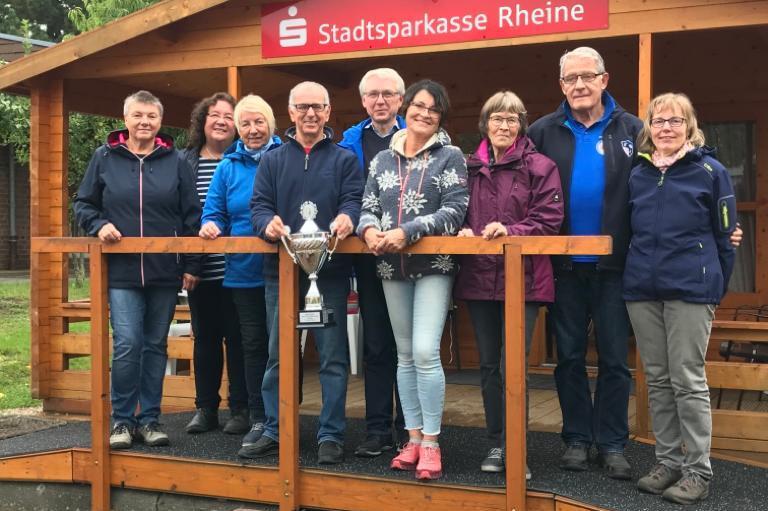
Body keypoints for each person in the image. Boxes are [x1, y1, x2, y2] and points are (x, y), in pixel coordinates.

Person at [528, 47, 641, 479]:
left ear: (604, 79)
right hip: (563, 267)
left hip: (615, 267)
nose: (579, 85)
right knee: (570, 357)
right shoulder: (542, 131)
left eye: (587, 77)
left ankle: (612, 443)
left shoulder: (634, 129)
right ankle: (576, 438)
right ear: (561, 85)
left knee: (614, 359)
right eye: (570, 79)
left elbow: (668, 176)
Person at [73, 90, 201, 449]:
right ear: (125, 119)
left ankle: (151, 420)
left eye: (151, 116)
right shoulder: (104, 158)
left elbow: (192, 216)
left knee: (155, 345)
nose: (144, 122)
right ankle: (122, 421)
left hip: (164, 271)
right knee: (128, 344)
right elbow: (83, 203)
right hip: (123, 272)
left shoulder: (176, 161)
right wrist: (98, 225)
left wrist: (191, 264)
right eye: (138, 115)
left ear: (160, 122)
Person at [624, 93, 735, 505]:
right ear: (648, 129)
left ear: (689, 126)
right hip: (642, 289)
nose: (666, 128)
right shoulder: (638, 172)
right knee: (657, 378)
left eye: (674, 121)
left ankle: (697, 471)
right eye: (658, 121)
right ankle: (667, 461)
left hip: (692, 289)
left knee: (688, 380)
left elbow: (726, 237)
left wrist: (714, 287)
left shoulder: (711, 171)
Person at [246, 81, 362, 465]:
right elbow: (259, 206)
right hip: (279, 272)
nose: (310, 113)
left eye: (317, 106)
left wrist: (348, 217)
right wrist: (269, 224)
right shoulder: (273, 160)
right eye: (302, 107)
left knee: (332, 356)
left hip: (327, 273)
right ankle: (277, 429)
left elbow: (353, 200)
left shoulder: (345, 158)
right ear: (290, 113)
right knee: (279, 355)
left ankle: (331, 433)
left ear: (328, 112)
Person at [358, 79, 468, 480]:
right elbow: (367, 203)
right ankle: (414, 439)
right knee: (404, 354)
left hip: (434, 265)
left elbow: (456, 211)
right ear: (408, 108)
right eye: (419, 106)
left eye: (433, 109)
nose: (424, 113)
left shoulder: (451, 155)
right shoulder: (383, 159)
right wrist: (368, 229)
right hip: (390, 268)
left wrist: (411, 230)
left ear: (440, 117)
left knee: (424, 351)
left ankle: (434, 442)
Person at [455, 91, 563, 478]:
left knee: (512, 367)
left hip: (525, 280)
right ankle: (497, 443)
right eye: (497, 119)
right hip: (479, 278)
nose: (504, 126)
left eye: (512, 119)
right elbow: (453, 211)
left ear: (522, 125)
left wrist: (511, 231)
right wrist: (459, 231)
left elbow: (550, 219)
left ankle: (518, 448)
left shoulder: (540, 166)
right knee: (488, 367)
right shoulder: (466, 168)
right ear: (485, 124)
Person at [198, 94, 282, 454]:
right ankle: (259, 416)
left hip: (283, 269)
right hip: (244, 271)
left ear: (271, 124)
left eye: (258, 122)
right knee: (252, 345)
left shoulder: (287, 157)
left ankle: (283, 415)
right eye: (245, 123)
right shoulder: (227, 166)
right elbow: (213, 212)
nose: (252, 130)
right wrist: (210, 226)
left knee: (281, 347)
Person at [338, 68, 407, 457]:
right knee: (378, 345)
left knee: (411, 347)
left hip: (412, 257)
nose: (380, 101)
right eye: (373, 95)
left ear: (400, 99)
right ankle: (378, 429)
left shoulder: (417, 136)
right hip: (368, 258)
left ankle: (410, 428)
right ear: (363, 101)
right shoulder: (349, 143)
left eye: (388, 94)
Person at [181, 92, 250, 436]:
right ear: (202, 121)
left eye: (228, 115)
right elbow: (182, 215)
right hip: (200, 271)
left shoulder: (244, 160)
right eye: (214, 115)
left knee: (238, 339)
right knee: (205, 339)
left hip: (240, 269)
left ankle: (240, 408)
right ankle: (206, 408)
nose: (221, 120)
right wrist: (187, 262)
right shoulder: (185, 161)